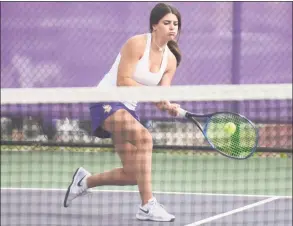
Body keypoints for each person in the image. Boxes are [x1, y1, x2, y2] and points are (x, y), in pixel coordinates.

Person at [63, 2, 182, 222]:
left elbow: (159, 96)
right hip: (106, 100)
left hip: (129, 108)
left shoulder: (171, 61)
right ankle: (147, 205)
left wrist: (167, 104)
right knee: (145, 139)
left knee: (133, 174)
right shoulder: (136, 44)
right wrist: (155, 97)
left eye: (175, 24)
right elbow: (123, 80)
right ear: (155, 25)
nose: (172, 27)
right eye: (167, 23)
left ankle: (85, 182)